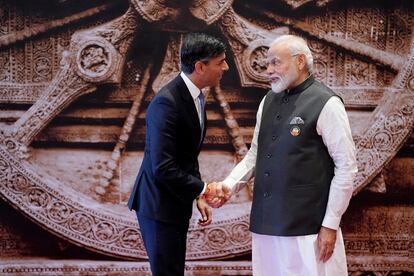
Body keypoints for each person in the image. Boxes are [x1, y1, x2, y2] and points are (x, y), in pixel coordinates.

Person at [208, 34, 357, 275]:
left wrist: (330, 224)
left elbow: (346, 167)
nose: (268, 70)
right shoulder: (268, 100)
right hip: (266, 225)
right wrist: (229, 185)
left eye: (275, 62)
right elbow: (255, 153)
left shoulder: (326, 103)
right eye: (268, 63)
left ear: (300, 61)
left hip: (308, 229)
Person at [127, 33, 229, 276]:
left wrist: (197, 196)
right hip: (159, 206)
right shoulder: (167, 103)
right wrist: (203, 188)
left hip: (174, 202)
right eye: (220, 62)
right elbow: (162, 167)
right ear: (200, 66)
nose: (226, 67)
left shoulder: (196, 95)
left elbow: (187, 155)